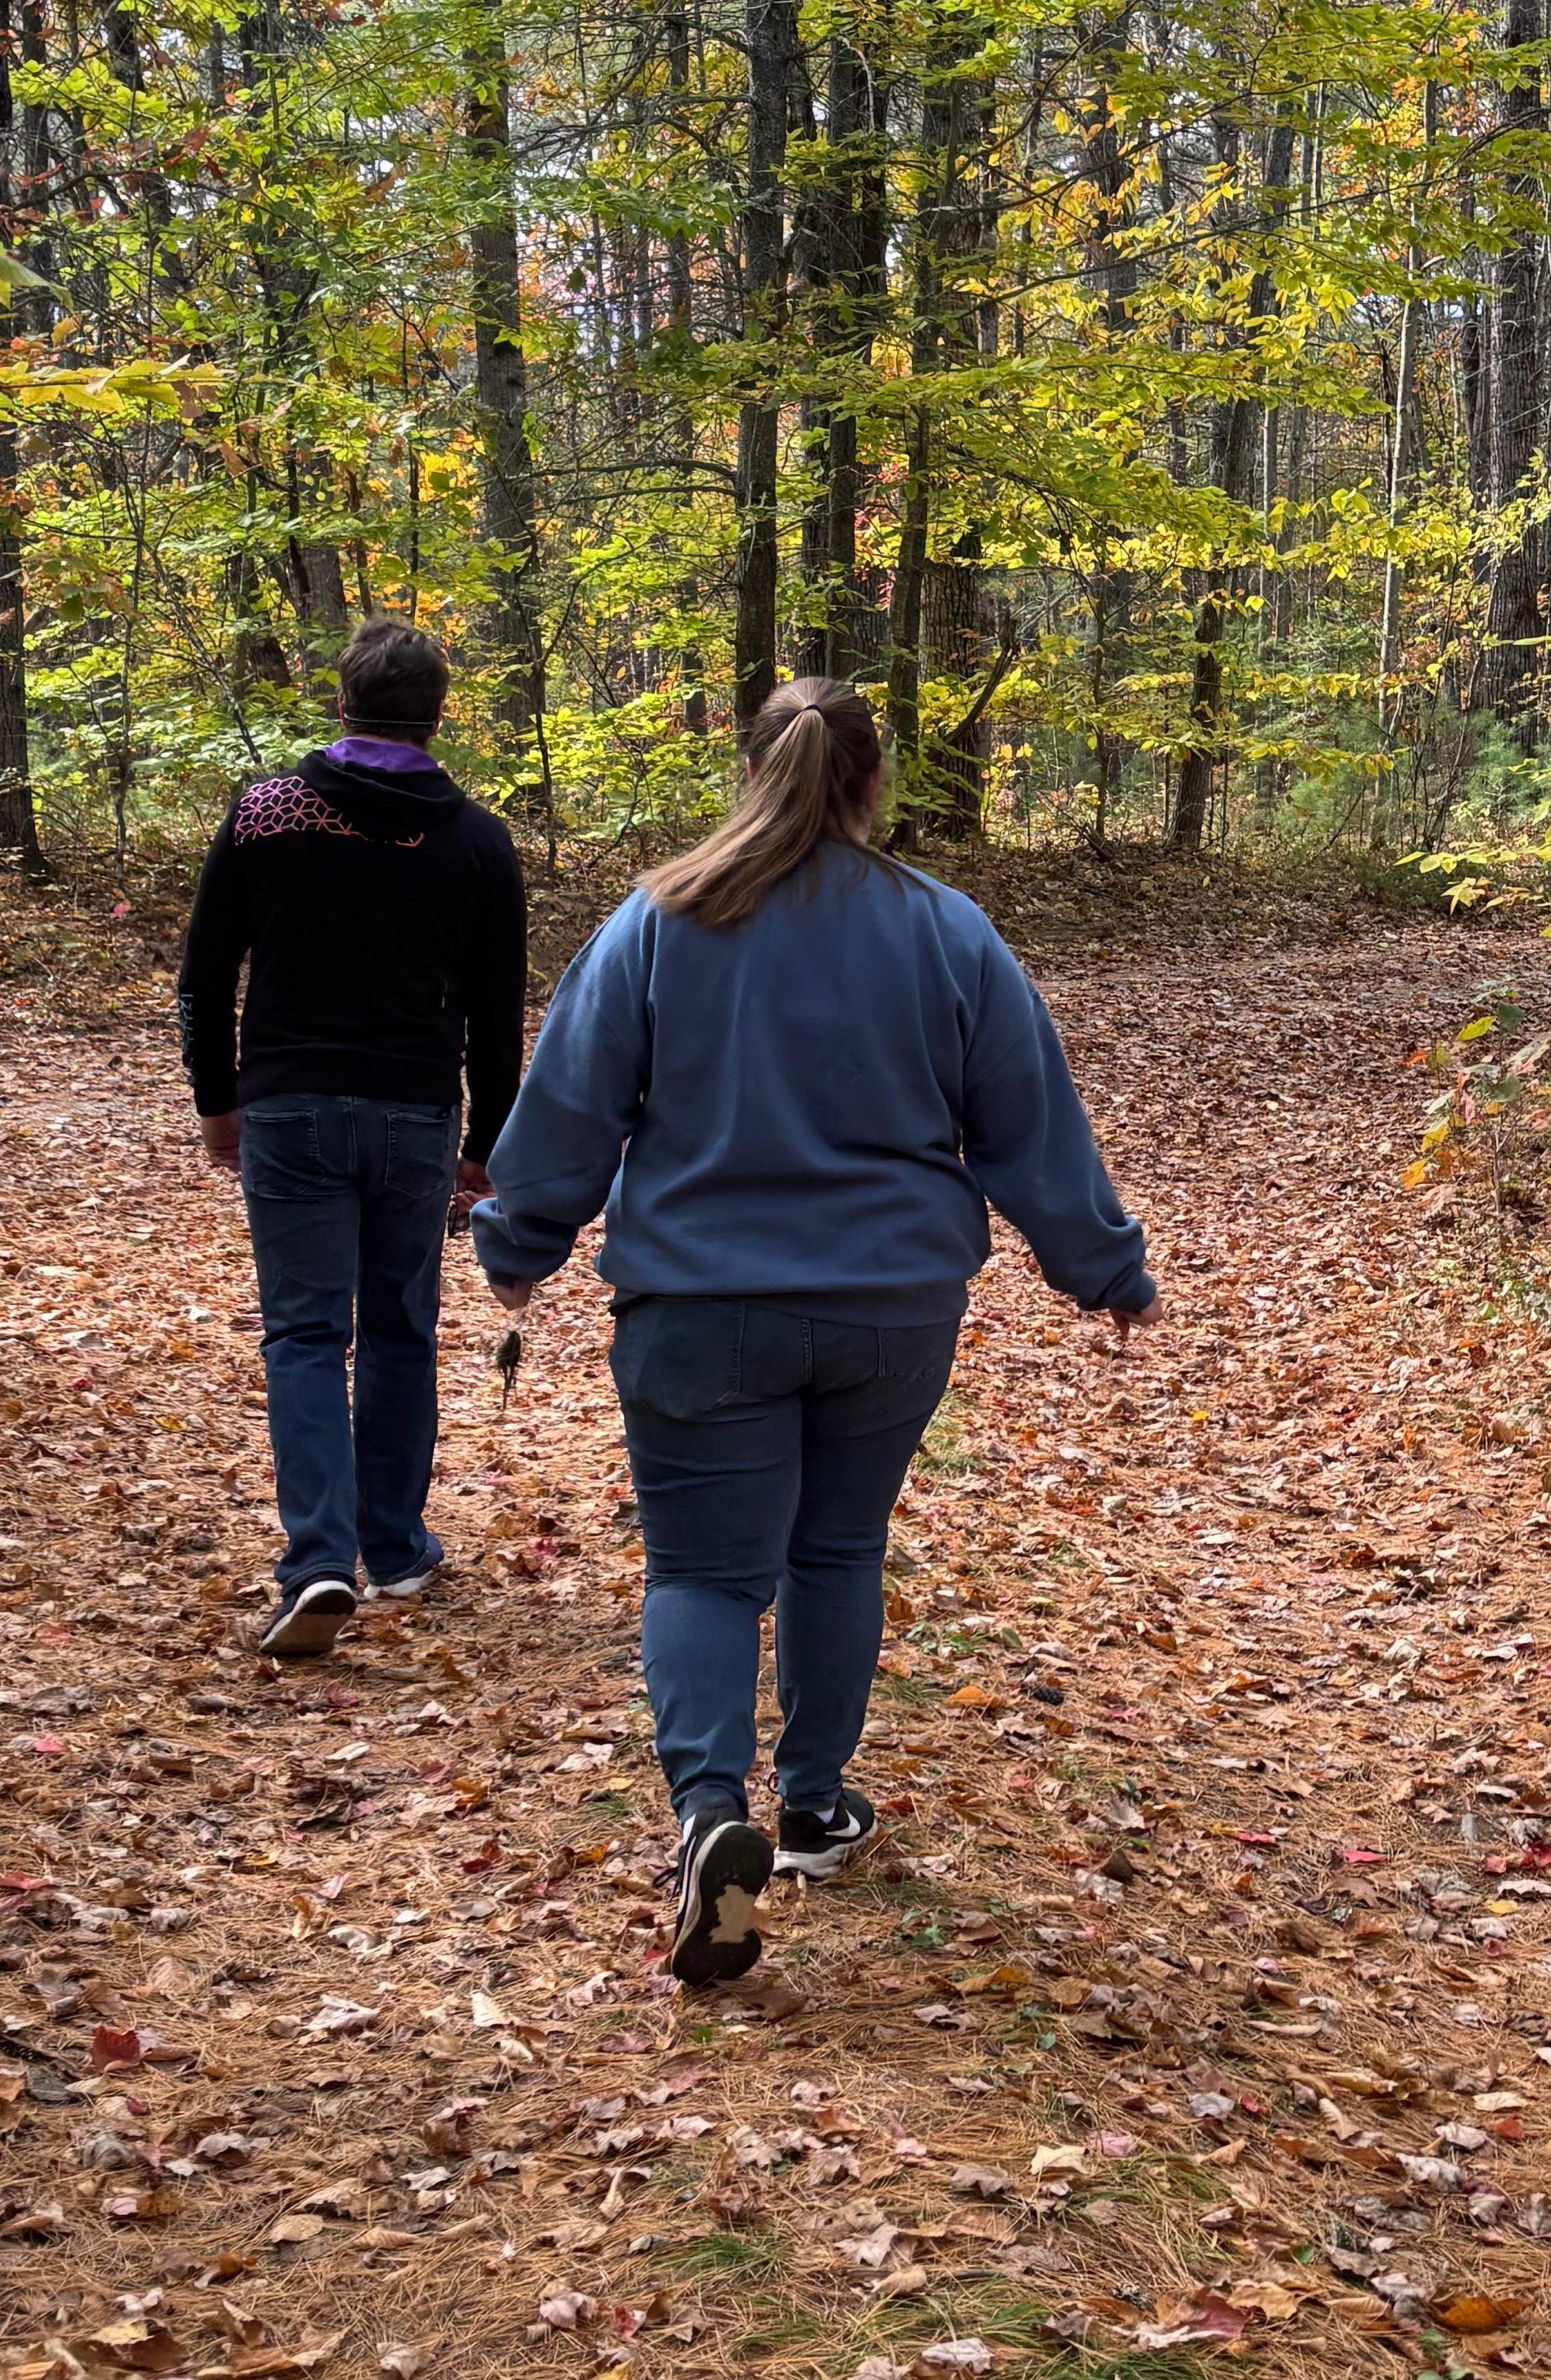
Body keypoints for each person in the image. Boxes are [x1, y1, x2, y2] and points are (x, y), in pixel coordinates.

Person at [469, 675, 1154, 1989]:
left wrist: (519, 1247)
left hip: (699, 1304)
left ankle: (706, 1816)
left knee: (707, 1572)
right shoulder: (947, 932)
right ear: (871, 783)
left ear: (752, 769)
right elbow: (1028, 1121)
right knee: (837, 1548)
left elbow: (569, 1102)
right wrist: (1103, 1270)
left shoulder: (661, 922)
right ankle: (815, 1806)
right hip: (891, 1308)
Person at [178, 618, 529, 1660]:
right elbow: (498, 1014)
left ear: (341, 703)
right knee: (399, 1331)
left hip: (288, 1108)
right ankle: (397, 1547)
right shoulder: (474, 839)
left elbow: (203, 974)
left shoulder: (267, 815)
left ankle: (319, 1560)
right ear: (437, 714)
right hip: (417, 1113)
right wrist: (487, 1144)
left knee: (302, 1334)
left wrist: (216, 1099)